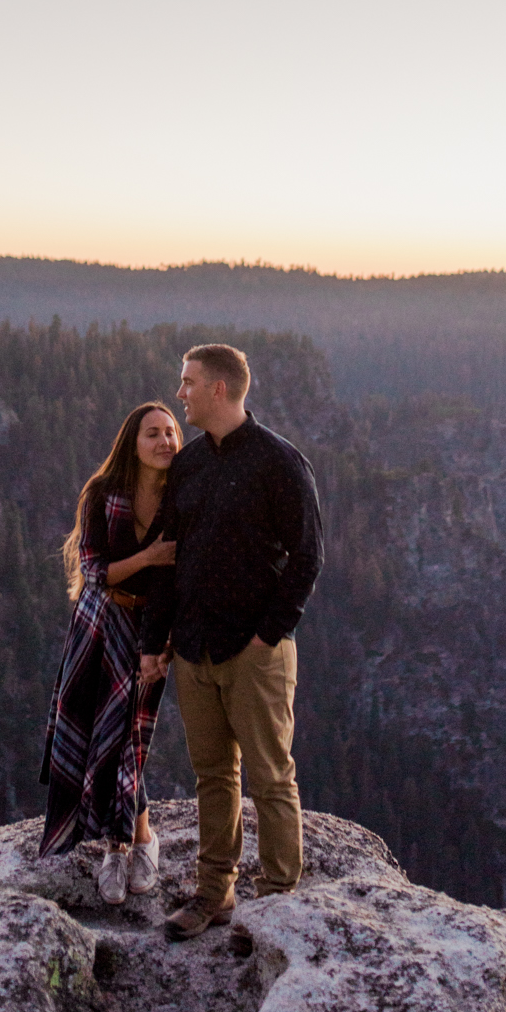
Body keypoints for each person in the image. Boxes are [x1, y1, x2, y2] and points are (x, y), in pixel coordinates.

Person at [141, 343, 324, 940]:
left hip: (255, 653)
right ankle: (214, 894)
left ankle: (273, 905)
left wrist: (266, 635)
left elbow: (308, 557)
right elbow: (168, 558)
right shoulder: (190, 466)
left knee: (271, 776)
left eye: (188, 382)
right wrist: (156, 641)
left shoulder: (280, 464)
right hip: (194, 650)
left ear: (219, 389)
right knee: (213, 775)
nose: (181, 392)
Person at [39, 400, 180, 903]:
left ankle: (131, 843)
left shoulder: (181, 497)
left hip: (151, 629)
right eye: (153, 433)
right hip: (100, 623)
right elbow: (95, 571)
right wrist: (149, 556)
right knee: (102, 734)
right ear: (132, 442)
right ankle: (128, 845)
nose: (165, 441)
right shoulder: (103, 494)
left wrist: (164, 643)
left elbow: (181, 577)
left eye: (171, 432)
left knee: (130, 738)